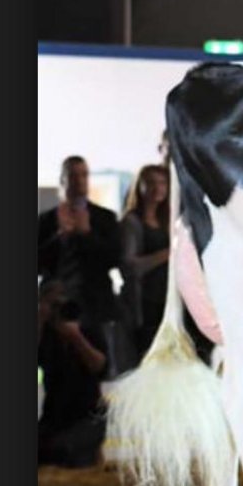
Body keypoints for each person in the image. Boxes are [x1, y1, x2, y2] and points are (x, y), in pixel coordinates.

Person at [38, 155, 125, 376]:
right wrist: (59, 236)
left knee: (100, 372)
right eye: (72, 175)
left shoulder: (105, 218)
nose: (79, 180)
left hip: (95, 308)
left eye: (84, 175)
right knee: (57, 372)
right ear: (62, 180)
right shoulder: (46, 221)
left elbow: (115, 259)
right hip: (56, 308)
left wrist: (87, 234)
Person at [38, 278, 109, 467]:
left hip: (88, 416)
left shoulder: (86, 328)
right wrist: (40, 321)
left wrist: (75, 337)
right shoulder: (44, 333)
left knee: (67, 453)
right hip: (55, 415)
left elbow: (100, 366)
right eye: (53, 304)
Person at [119, 164, 171, 362]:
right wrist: (167, 254)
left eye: (162, 183)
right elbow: (130, 267)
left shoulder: (167, 220)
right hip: (143, 304)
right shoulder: (132, 222)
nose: (157, 188)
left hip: (165, 302)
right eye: (150, 182)